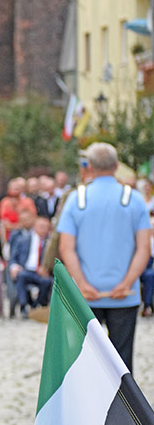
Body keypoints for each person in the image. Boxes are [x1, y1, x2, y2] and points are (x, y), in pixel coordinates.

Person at [58, 143, 152, 373]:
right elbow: (144, 248)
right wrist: (127, 282)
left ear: (88, 166)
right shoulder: (135, 200)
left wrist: (82, 283)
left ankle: (87, 407)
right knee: (121, 363)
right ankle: (122, 408)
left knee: (83, 362)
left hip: (86, 296)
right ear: (117, 166)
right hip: (124, 295)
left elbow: (66, 248)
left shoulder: (76, 199)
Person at [9, 216, 53, 318]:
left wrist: (47, 268)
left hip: (42, 273)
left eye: (47, 227)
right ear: (35, 227)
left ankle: (37, 305)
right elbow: (13, 258)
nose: (44, 229)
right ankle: (23, 306)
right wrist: (14, 267)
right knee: (21, 276)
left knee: (47, 282)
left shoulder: (50, 243)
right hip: (26, 270)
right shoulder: (23, 240)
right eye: (41, 226)